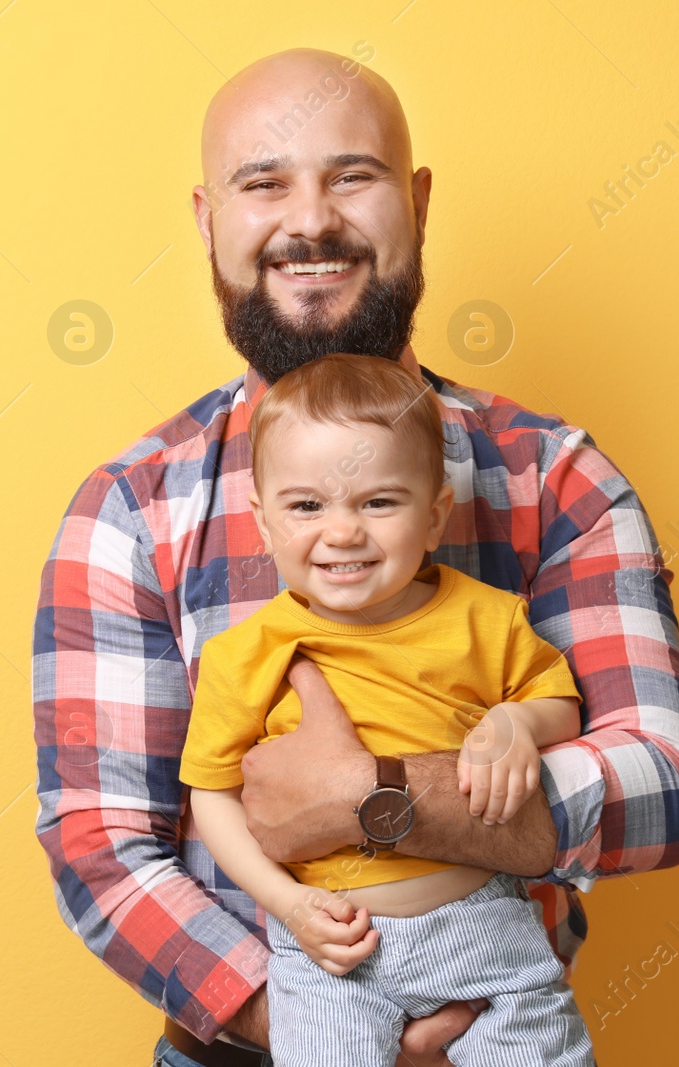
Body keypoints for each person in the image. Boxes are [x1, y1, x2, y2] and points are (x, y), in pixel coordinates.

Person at [32, 46, 679, 1067]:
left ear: (417, 203)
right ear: (211, 220)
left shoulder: (556, 479)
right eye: (264, 183)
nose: (309, 220)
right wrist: (322, 1024)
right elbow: (101, 846)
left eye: (352, 174)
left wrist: (371, 796)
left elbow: (657, 787)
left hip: (505, 1017)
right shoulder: (129, 511)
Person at [181, 353, 597, 1066]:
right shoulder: (244, 654)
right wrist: (287, 902)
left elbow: (560, 705)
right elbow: (210, 795)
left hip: (483, 929)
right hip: (332, 948)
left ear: (434, 515)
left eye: (378, 502)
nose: (342, 531)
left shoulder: (487, 619)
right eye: (307, 506)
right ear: (264, 522)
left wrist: (516, 723)